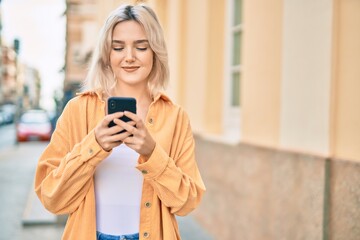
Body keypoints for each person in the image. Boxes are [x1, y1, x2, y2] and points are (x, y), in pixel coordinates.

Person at [34, 3, 206, 240]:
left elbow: (187, 202)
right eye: (118, 47)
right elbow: (51, 197)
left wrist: (152, 153)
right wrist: (94, 145)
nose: (129, 57)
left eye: (141, 46)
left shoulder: (175, 118)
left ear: (155, 51)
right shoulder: (77, 110)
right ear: (107, 54)